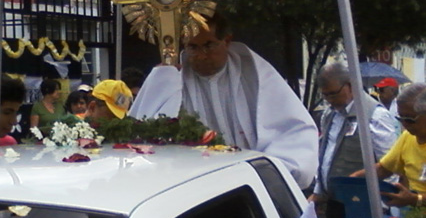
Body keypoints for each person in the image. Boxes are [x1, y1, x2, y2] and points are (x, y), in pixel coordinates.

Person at [129, 12, 319, 189]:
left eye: (209, 45)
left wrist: (267, 172)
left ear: (226, 41)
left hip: (248, 185)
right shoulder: (173, 81)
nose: (202, 55)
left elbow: (291, 130)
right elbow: (144, 134)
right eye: (193, 47)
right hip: (194, 186)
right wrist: (162, 82)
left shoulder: (254, 75)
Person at [309, 62, 397, 218]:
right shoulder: (329, 115)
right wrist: (318, 192)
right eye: (325, 95)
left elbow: (390, 164)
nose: (330, 99)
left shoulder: (374, 115)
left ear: (350, 85)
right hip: (334, 203)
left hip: (365, 206)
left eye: (333, 93)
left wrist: (385, 205)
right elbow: (326, 156)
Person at [351, 83, 426, 208]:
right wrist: (353, 179)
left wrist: (416, 199)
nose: (404, 125)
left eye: (410, 120)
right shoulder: (408, 137)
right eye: (400, 119)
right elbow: (384, 169)